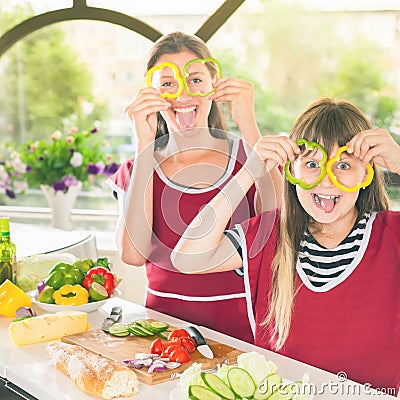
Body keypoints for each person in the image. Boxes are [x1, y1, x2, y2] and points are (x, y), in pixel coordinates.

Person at [172, 98, 400, 392]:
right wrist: (248, 173)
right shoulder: (268, 235)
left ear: (365, 175)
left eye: (343, 165)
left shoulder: (392, 233)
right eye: (312, 164)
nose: (327, 180)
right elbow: (187, 258)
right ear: (292, 171)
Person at [108, 31, 282, 343]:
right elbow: (132, 255)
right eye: (167, 83)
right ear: (152, 92)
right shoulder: (138, 167)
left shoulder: (247, 155)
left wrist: (248, 123)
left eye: (196, 80)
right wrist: (144, 142)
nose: (182, 94)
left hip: (241, 333)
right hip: (161, 334)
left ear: (216, 85)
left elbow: (284, 227)